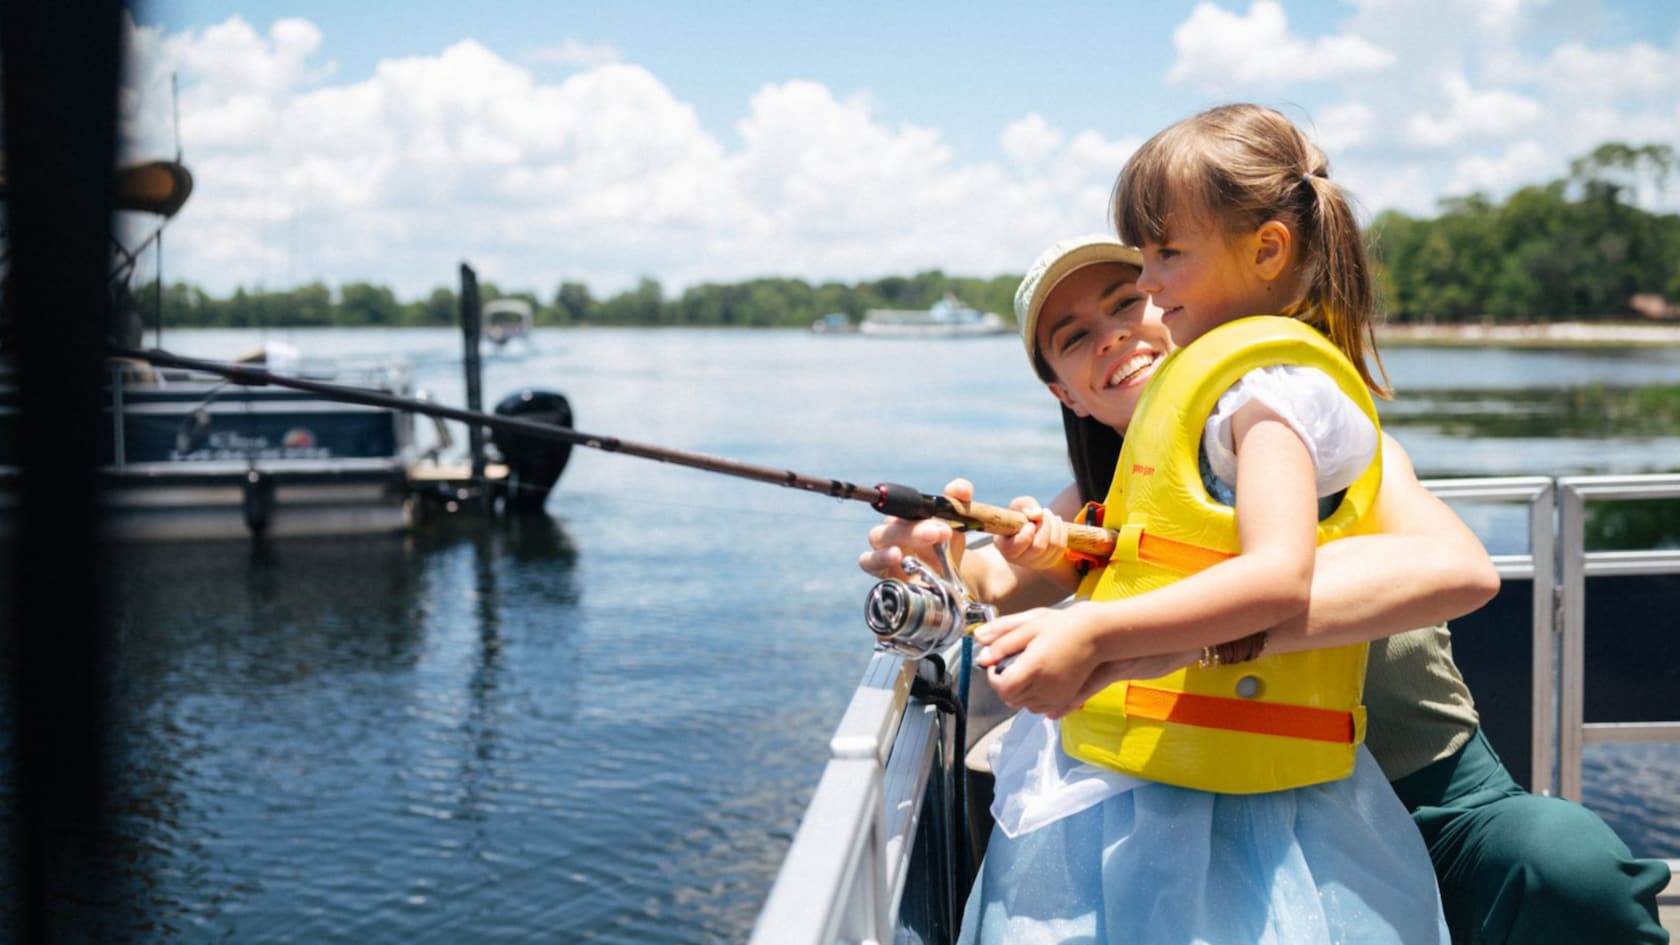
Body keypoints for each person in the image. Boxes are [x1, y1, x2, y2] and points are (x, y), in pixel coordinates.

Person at [863, 114, 1669, 944]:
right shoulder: (1104, 498)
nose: (1117, 335)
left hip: (1416, 787)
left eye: (1134, 293)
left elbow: (1454, 568)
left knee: (1569, 868)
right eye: (1075, 338)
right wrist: (936, 561)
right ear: (1067, 392)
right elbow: (995, 581)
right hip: (1223, 802)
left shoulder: (1305, 425)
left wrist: (1151, 640)